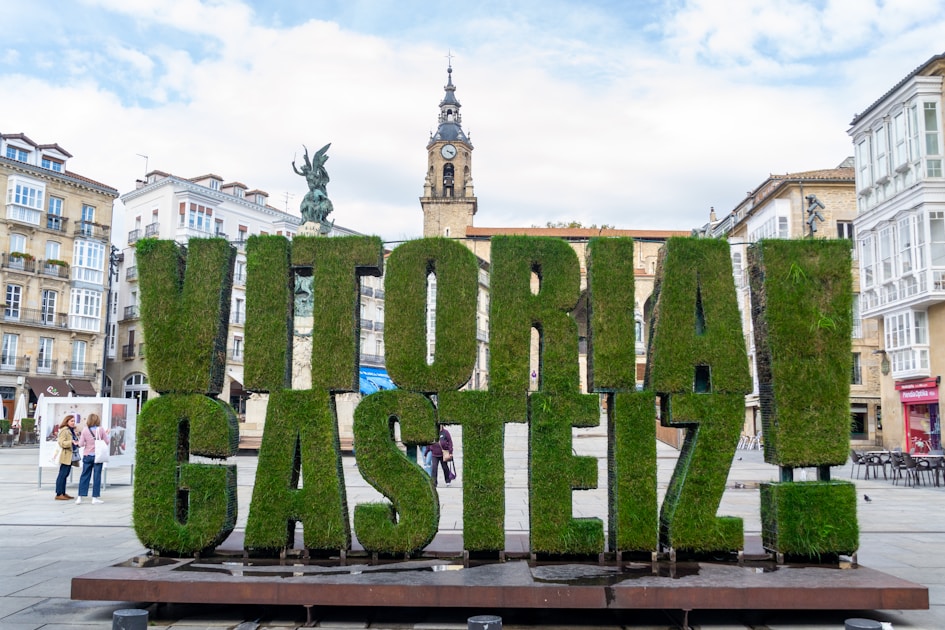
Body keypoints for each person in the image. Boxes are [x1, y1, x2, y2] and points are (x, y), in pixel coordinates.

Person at [75, 413, 109, 505]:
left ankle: (80, 497)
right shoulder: (101, 430)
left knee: (84, 475)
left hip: (87, 455)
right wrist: (106, 434)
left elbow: (81, 444)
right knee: (97, 476)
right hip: (98, 456)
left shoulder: (85, 430)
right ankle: (94, 498)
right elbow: (107, 442)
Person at [54, 415, 79, 501]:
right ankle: (59, 493)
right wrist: (71, 442)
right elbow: (61, 442)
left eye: (74, 421)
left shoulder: (71, 430)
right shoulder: (64, 430)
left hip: (70, 455)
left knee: (65, 474)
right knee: (62, 474)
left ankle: (63, 492)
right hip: (65, 455)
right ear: (67, 421)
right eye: (71, 421)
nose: (73, 422)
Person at [428, 423, 455, 488]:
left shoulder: (445, 432)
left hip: (443, 454)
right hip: (434, 454)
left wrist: (450, 451)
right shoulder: (433, 432)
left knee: (445, 467)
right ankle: (434, 482)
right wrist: (427, 452)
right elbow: (429, 442)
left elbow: (450, 442)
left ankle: (447, 480)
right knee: (434, 468)